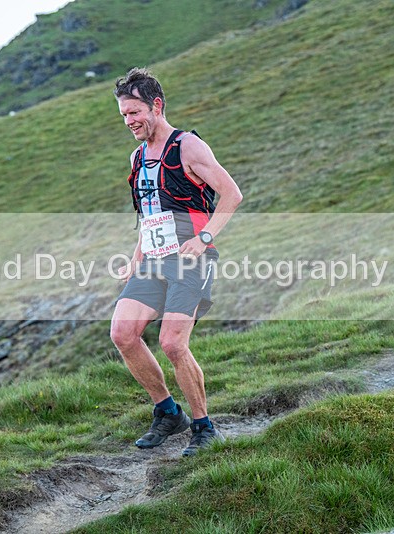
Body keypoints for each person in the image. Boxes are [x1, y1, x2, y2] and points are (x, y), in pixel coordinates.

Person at [109, 67, 243, 457]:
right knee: (123, 333)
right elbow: (148, 214)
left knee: (172, 344)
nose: (130, 121)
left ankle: (204, 427)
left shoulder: (188, 147)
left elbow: (232, 195)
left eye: (135, 112)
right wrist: (136, 258)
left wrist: (204, 239)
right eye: (124, 115)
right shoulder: (136, 157)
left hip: (191, 260)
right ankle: (168, 412)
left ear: (157, 105)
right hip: (153, 259)